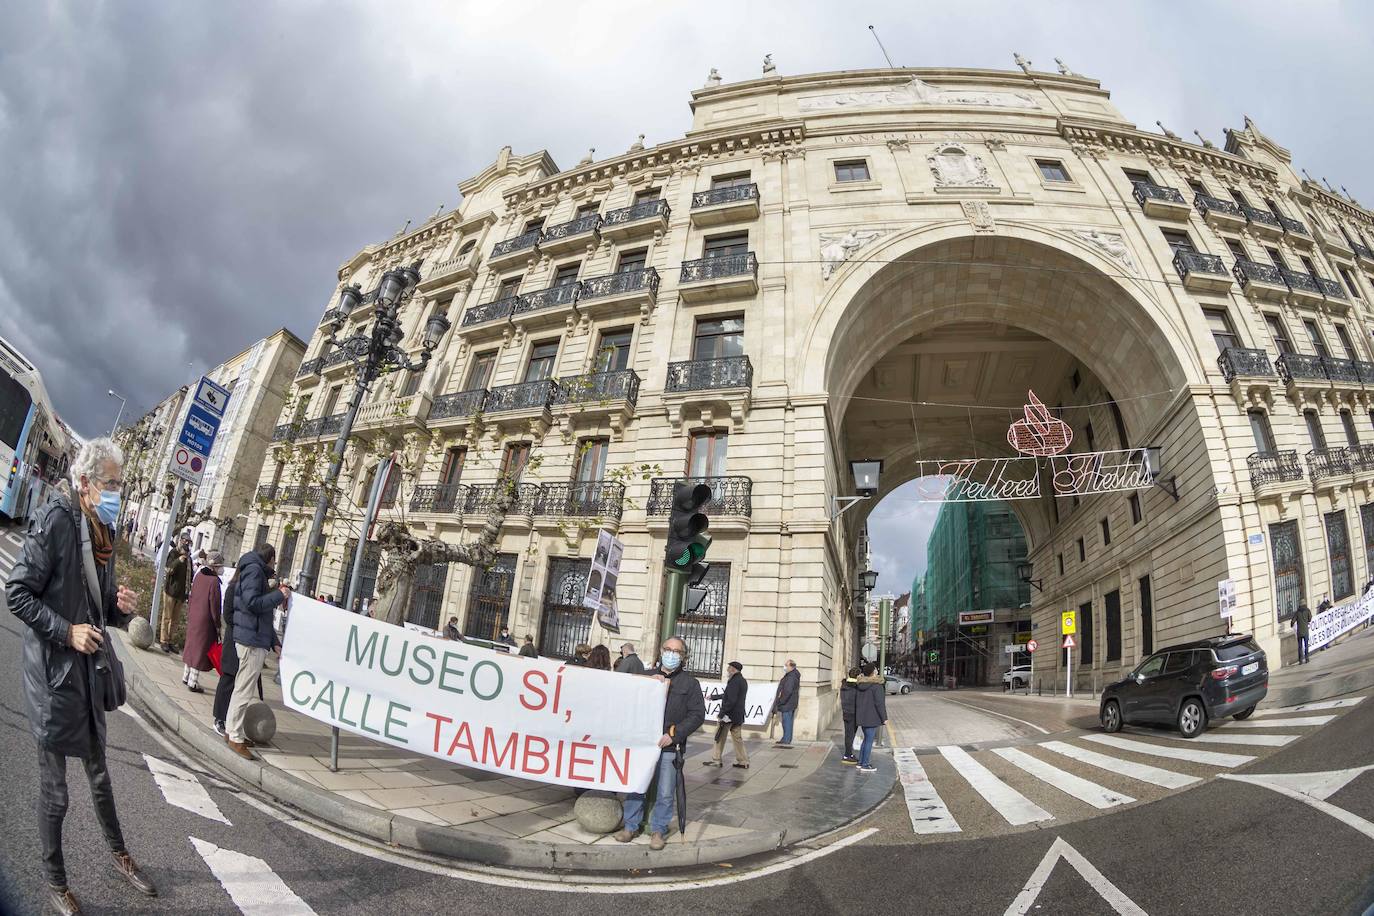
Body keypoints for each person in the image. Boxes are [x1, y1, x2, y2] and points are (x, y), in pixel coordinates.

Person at [7, 437, 158, 914]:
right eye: (112, 484)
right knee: (55, 790)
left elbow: (94, 605)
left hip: (87, 674)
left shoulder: (103, 532)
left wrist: (116, 608)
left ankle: (120, 854)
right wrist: (65, 632)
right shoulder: (56, 520)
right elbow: (18, 593)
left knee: (99, 773)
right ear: (87, 483)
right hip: (53, 675)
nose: (118, 492)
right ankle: (56, 881)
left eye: (121, 484)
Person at [615, 636, 706, 851]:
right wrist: (645, 684)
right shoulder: (645, 676)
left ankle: (658, 830)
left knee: (665, 792)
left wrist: (675, 736)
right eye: (668, 649)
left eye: (677, 651)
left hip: (669, 746)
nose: (671, 654)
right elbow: (627, 703)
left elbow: (697, 715)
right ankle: (630, 826)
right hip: (643, 746)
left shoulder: (690, 684)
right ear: (661, 651)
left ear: (683, 657)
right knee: (637, 787)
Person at [225, 544, 288, 760]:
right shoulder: (254, 570)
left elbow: (263, 615)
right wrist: (278, 595)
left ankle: (233, 730)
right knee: (244, 690)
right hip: (250, 641)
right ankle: (235, 736)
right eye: (274, 560)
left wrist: (274, 642)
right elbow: (253, 604)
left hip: (252, 637)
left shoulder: (253, 569)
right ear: (270, 558)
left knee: (242, 688)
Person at [181, 552, 225, 693]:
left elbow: (192, 595)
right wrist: (218, 624)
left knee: (191, 646)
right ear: (215, 566)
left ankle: (185, 675)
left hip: (194, 616)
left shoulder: (199, 575)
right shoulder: (213, 581)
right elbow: (215, 605)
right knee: (200, 650)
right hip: (205, 621)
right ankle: (193, 682)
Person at [707, 661, 750, 769]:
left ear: (733, 669)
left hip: (729, 715)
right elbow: (728, 695)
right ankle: (743, 761)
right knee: (737, 738)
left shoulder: (734, 681)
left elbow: (731, 700)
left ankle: (716, 760)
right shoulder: (742, 681)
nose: (727, 670)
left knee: (719, 737)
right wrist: (714, 697)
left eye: (729, 668)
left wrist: (722, 714)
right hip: (737, 715)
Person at [854, 661, 888, 773]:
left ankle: (860, 762)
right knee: (869, 741)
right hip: (872, 717)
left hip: (862, 716)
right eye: (876, 670)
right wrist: (884, 717)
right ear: (873, 672)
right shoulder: (876, 686)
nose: (877, 671)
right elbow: (879, 703)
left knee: (865, 740)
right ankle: (865, 764)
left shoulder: (860, 685)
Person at [160, 541, 189, 653]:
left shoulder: (188, 559)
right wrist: (178, 561)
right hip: (171, 591)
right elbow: (169, 570)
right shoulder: (173, 553)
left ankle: (171, 641)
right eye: (184, 541)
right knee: (167, 617)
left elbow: (188, 576)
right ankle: (164, 640)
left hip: (181, 594)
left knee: (175, 620)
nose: (185, 543)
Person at [773, 659, 800, 747]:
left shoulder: (791, 677)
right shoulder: (791, 675)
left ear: (791, 666)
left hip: (787, 703)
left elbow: (787, 691)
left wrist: (781, 701)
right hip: (790, 703)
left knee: (786, 722)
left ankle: (786, 739)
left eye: (786, 665)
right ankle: (786, 738)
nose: (784, 667)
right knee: (788, 721)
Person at [839, 666, 860, 764]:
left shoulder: (844, 685)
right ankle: (847, 755)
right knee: (850, 735)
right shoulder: (855, 686)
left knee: (848, 734)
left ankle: (848, 753)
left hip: (846, 712)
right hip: (853, 713)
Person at [1293, 599, 1313, 665]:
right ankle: (1307, 658)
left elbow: (1293, 620)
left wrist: (1292, 624)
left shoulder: (1297, 612)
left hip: (1299, 631)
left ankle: (1300, 660)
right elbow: (1310, 619)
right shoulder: (1307, 610)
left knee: (1300, 646)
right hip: (1305, 631)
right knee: (1306, 645)